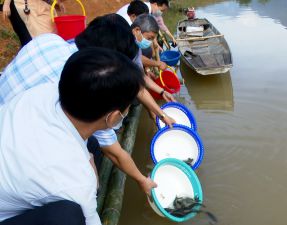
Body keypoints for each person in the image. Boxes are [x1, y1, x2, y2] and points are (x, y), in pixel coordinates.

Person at [0, 13, 169, 196]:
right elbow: (116, 154)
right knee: (92, 152)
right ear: (105, 61)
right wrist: (142, 180)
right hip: (13, 160)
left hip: (8, 115)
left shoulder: (49, 40)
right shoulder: (80, 86)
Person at [0, 48, 144, 225]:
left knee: (92, 144)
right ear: (113, 117)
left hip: (16, 172)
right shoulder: (77, 182)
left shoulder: (42, 92)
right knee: (68, 220)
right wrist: (91, 183)